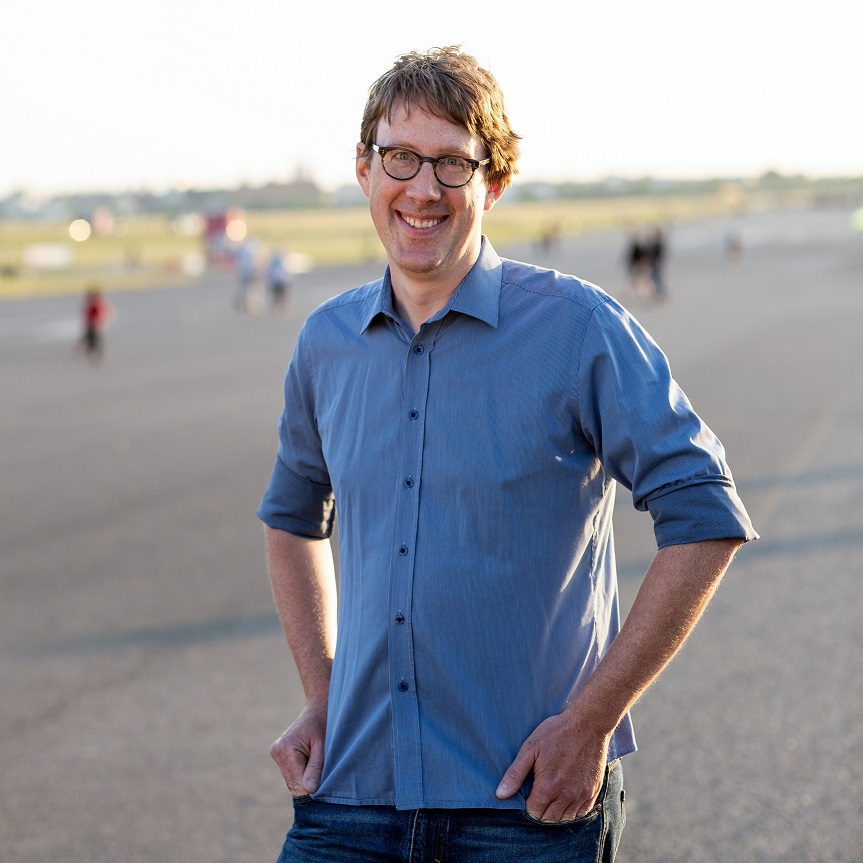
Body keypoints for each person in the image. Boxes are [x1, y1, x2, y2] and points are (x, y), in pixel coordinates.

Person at [258, 47, 757, 863]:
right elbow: (291, 519)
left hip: (526, 806)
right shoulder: (326, 341)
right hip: (350, 799)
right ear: (364, 169)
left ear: (492, 183)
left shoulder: (576, 327)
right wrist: (324, 693)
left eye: (452, 163)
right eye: (400, 156)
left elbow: (705, 513)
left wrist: (591, 720)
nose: (423, 188)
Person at [77, 285, 113, 364]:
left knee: (95, 341)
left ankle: (97, 355)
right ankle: (95, 354)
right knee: (93, 340)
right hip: (94, 326)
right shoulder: (95, 304)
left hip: (95, 326)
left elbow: (104, 313)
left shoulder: (96, 304)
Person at [265, 248, 292, 316]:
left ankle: (278, 309)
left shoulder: (273, 263)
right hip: (280, 282)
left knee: (277, 297)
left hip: (276, 282)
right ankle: (283, 309)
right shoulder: (281, 262)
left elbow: (269, 273)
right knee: (282, 297)